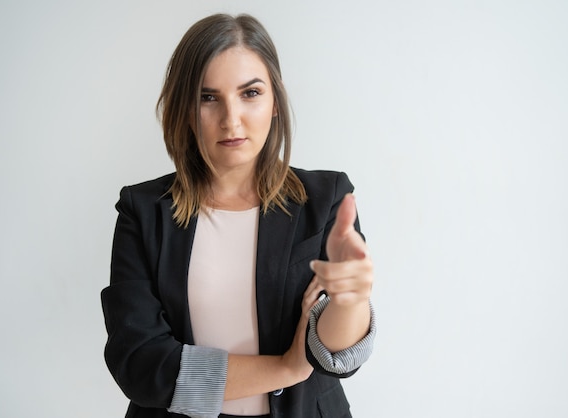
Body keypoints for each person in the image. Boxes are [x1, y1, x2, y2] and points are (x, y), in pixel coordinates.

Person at [101, 13, 376, 418]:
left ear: (276, 102)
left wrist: (352, 301)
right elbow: (142, 366)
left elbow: (336, 356)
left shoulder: (326, 200)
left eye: (250, 93)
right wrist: (283, 368)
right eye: (208, 97)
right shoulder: (143, 212)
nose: (232, 119)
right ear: (184, 108)